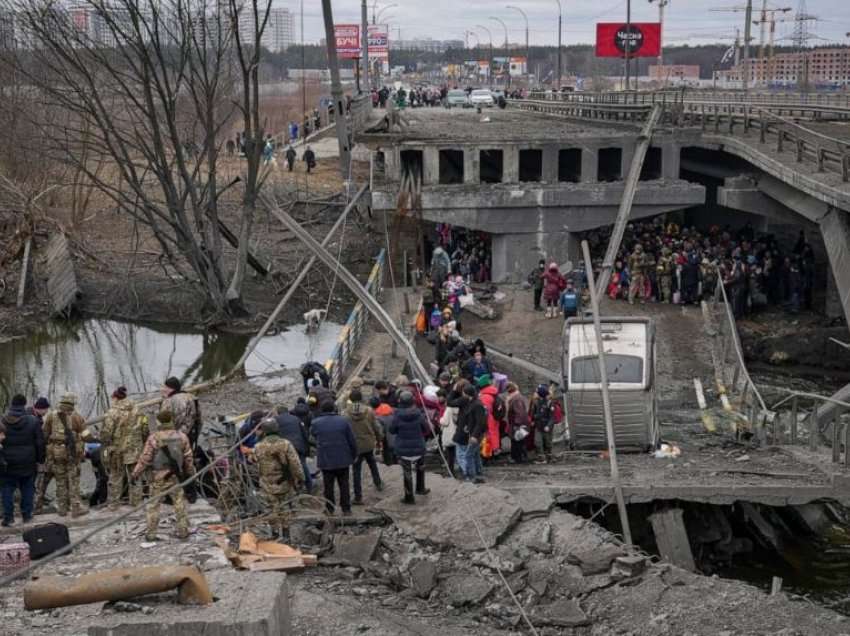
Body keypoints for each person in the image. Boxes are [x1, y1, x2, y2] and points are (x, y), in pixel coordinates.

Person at [132, 410, 194, 541]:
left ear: (159, 421)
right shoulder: (182, 436)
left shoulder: (154, 438)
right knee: (179, 503)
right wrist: (190, 474)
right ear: (171, 420)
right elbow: (188, 458)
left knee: (153, 505)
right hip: (176, 476)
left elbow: (145, 459)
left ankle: (151, 534)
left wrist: (136, 473)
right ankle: (183, 531)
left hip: (157, 477)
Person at [254, 417, 304, 535]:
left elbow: (258, 466)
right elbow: (295, 464)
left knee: (271, 510)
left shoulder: (258, 447)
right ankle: (287, 535)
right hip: (284, 483)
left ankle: (275, 534)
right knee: (285, 508)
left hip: (267, 483)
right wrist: (301, 478)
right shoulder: (285, 444)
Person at [1, 395, 44, 526]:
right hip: (28, 461)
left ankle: (8, 518)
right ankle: (27, 515)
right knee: (27, 488)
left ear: (11, 404)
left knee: (7, 489)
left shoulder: (2, 420)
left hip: (7, 462)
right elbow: (40, 443)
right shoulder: (33, 421)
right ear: (24, 405)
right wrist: (40, 460)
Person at [43, 393, 87, 517]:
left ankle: (62, 509)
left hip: (56, 453)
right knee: (73, 481)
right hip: (72, 454)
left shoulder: (51, 415)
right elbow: (85, 434)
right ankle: (75, 508)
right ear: (72, 403)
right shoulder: (77, 416)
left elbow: (45, 433)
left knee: (60, 480)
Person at [310, 400, 356, 515]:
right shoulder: (343, 421)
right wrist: (354, 454)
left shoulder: (316, 423)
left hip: (326, 459)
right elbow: (352, 440)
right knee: (344, 484)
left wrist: (319, 444)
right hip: (343, 458)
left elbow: (311, 437)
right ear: (334, 409)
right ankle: (346, 509)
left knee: (328, 486)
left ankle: (329, 509)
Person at [101, 386, 139, 510]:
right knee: (134, 475)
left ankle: (113, 504)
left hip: (117, 449)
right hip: (134, 448)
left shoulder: (112, 413)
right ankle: (136, 502)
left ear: (115, 398)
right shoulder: (136, 409)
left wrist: (104, 443)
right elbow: (143, 427)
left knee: (115, 476)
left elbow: (106, 433)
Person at [388, 391, 429, 504]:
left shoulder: (397, 415)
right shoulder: (419, 414)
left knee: (407, 473)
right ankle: (421, 489)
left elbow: (391, 430)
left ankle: (409, 497)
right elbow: (427, 429)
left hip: (403, 448)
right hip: (418, 447)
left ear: (400, 401)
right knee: (420, 468)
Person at [345, 390, 384, 505]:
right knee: (372, 463)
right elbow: (376, 427)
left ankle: (358, 497)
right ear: (361, 398)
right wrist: (379, 439)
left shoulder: (345, 413)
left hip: (355, 445)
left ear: (350, 399)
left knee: (356, 470)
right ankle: (378, 483)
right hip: (368, 443)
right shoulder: (369, 411)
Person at [275, 404, 312, 493]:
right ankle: (309, 485)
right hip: (299, 446)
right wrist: (307, 449)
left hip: (285, 448)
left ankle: (294, 489)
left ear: (278, 412)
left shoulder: (276, 420)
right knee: (302, 465)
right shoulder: (296, 419)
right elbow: (304, 434)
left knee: (287, 468)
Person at [476, 375, 501, 459]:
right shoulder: (493, 392)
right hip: (494, 418)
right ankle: (495, 451)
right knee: (494, 435)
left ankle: (487, 455)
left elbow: (485, 411)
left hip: (489, 419)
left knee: (487, 437)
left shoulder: (485, 396)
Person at [530, 385, 556, 463]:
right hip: (538, 426)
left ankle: (549, 457)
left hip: (546, 426)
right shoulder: (537, 402)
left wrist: (548, 426)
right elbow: (535, 413)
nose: (535, 393)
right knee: (537, 442)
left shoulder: (549, 403)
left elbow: (552, 417)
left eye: (537, 392)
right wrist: (533, 420)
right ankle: (541, 458)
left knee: (548, 443)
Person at [505, 383, 529, 464]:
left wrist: (517, 424)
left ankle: (517, 458)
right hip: (518, 424)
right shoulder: (517, 398)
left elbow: (519, 413)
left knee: (517, 441)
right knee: (518, 441)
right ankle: (520, 457)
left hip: (516, 424)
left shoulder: (516, 399)